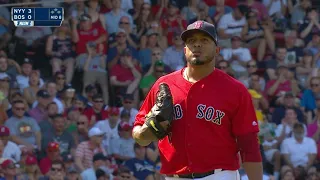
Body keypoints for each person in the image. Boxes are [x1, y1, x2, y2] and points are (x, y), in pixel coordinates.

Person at [133, 20, 263, 179]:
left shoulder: (236, 90)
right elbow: (139, 135)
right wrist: (147, 131)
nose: (197, 45)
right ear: (185, 49)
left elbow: (249, 147)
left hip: (219, 176)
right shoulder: (164, 85)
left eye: (204, 40)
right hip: (174, 176)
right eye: (192, 41)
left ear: (217, 50)